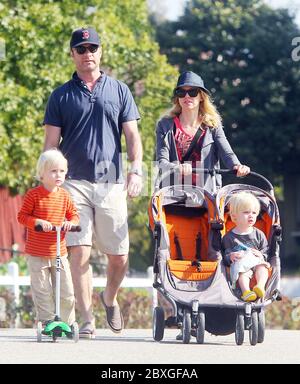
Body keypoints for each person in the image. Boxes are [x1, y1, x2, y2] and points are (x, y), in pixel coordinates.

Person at [43, 27, 143, 338]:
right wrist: (50, 181)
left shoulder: (120, 90)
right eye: (81, 48)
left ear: (100, 52)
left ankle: (109, 298)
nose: (88, 53)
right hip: (73, 184)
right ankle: (87, 320)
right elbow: (50, 145)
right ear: (72, 54)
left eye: (92, 48)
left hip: (111, 182)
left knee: (119, 256)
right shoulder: (60, 95)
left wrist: (136, 169)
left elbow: (132, 136)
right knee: (79, 252)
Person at [156, 71, 250, 192]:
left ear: (201, 97)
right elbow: (161, 161)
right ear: (177, 97)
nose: (187, 96)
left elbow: (227, 154)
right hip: (172, 195)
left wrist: (237, 166)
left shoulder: (212, 126)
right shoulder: (165, 125)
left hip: (205, 195)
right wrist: (177, 167)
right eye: (181, 92)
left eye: (192, 92)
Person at [17, 149, 79, 326]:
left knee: (66, 289)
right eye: (53, 171)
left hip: (59, 252)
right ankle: (47, 321)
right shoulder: (34, 195)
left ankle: (67, 322)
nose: (58, 174)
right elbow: (22, 217)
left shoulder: (65, 196)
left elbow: (74, 215)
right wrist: (37, 221)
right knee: (42, 290)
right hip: (37, 254)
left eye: (61, 171)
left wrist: (71, 223)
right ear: (41, 174)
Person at [222, 191, 270, 302]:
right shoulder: (229, 237)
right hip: (242, 265)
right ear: (234, 216)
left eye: (254, 213)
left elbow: (266, 250)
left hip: (256, 262)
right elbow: (225, 256)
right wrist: (231, 256)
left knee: (262, 268)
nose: (251, 216)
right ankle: (246, 292)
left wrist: (261, 254)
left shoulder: (259, 234)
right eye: (246, 212)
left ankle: (260, 286)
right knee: (242, 273)